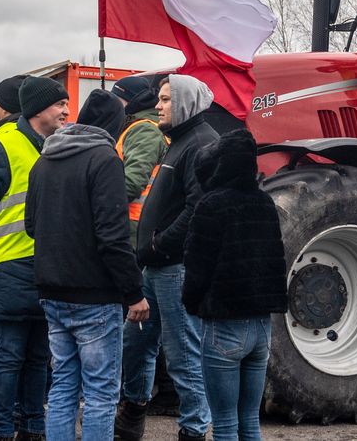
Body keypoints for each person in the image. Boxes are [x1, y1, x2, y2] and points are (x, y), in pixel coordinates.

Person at [27, 89, 148, 440]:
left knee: (64, 384)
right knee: (100, 392)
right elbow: (113, 235)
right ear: (113, 125)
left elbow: (32, 226)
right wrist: (133, 292)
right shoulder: (104, 159)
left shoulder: (44, 159)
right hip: (95, 295)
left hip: (51, 289)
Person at [0, 76, 67, 441]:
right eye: (59, 104)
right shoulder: (1, 146)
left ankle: (33, 428)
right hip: (8, 265)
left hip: (48, 267)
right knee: (8, 355)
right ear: (38, 109)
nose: (66, 111)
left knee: (38, 356)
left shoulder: (55, 145)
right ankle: (2, 430)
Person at [117, 74, 218, 441]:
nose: (157, 106)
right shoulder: (178, 141)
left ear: (186, 102)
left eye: (164, 100)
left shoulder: (202, 144)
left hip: (175, 268)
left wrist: (158, 246)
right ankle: (132, 414)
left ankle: (192, 431)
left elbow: (198, 210)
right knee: (136, 344)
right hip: (155, 267)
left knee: (183, 356)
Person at [182, 129, 287, 441]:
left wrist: (191, 303)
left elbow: (197, 265)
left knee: (225, 423)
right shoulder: (266, 203)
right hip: (261, 327)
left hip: (224, 325)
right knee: (249, 422)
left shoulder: (211, 205)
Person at [110, 76, 168, 238]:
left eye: (116, 100)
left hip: (134, 225)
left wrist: (97, 203)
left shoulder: (145, 130)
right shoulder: (136, 126)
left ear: (132, 101)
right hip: (130, 221)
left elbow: (132, 183)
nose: (112, 105)